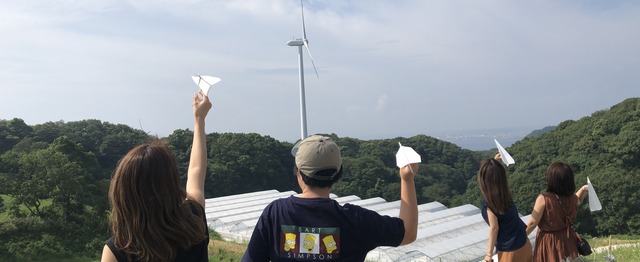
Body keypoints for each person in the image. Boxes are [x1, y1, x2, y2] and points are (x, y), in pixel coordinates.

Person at [241, 135, 419, 261]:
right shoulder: (355, 219)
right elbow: (408, 233)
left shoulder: (275, 212)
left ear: (299, 172)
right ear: (338, 173)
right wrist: (407, 178)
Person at [101, 89, 212, 262]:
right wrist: (199, 119)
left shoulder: (117, 250)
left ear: (121, 193)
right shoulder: (193, 223)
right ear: (170, 185)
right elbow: (196, 171)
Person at [525, 162, 589, 262]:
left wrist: (520, 238)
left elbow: (532, 223)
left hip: (549, 241)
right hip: (569, 241)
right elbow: (578, 200)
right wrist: (583, 189)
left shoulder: (544, 198)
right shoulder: (571, 198)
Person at [477, 155, 533, 262]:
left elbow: (494, 228)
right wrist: (495, 162)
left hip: (509, 252)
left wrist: (489, 254)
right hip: (525, 245)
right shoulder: (506, 195)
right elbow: (496, 179)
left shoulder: (489, 204)